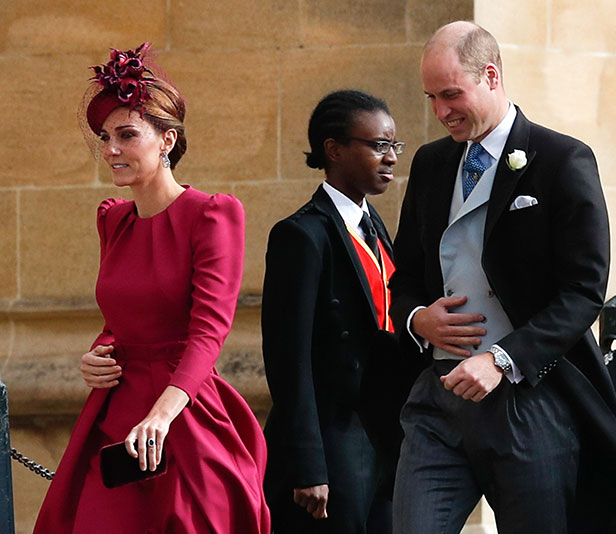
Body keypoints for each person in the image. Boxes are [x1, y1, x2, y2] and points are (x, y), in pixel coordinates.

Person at [389, 21, 616, 534]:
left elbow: (584, 291)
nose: (440, 112)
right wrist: (417, 319)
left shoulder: (562, 159)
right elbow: (406, 275)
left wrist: (503, 360)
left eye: (452, 94)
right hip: (437, 400)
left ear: (491, 75)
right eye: (431, 97)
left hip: (530, 401)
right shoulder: (432, 163)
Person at [34, 43, 270, 533]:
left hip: (184, 413)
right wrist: (98, 354)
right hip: (116, 414)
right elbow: (119, 319)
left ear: (167, 140)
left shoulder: (212, 214)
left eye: (127, 135)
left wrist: (161, 416)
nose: (111, 149)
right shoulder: (113, 220)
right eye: (105, 137)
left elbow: (209, 333)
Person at [261, 89, 406, 534]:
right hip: (331, 439)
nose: (391, 158)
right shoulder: (301, 235)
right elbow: (289, 360)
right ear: (334, 149)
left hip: (384, 435)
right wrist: (309, 465)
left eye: (394, 146)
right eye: (378, 145)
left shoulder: (374, 224)